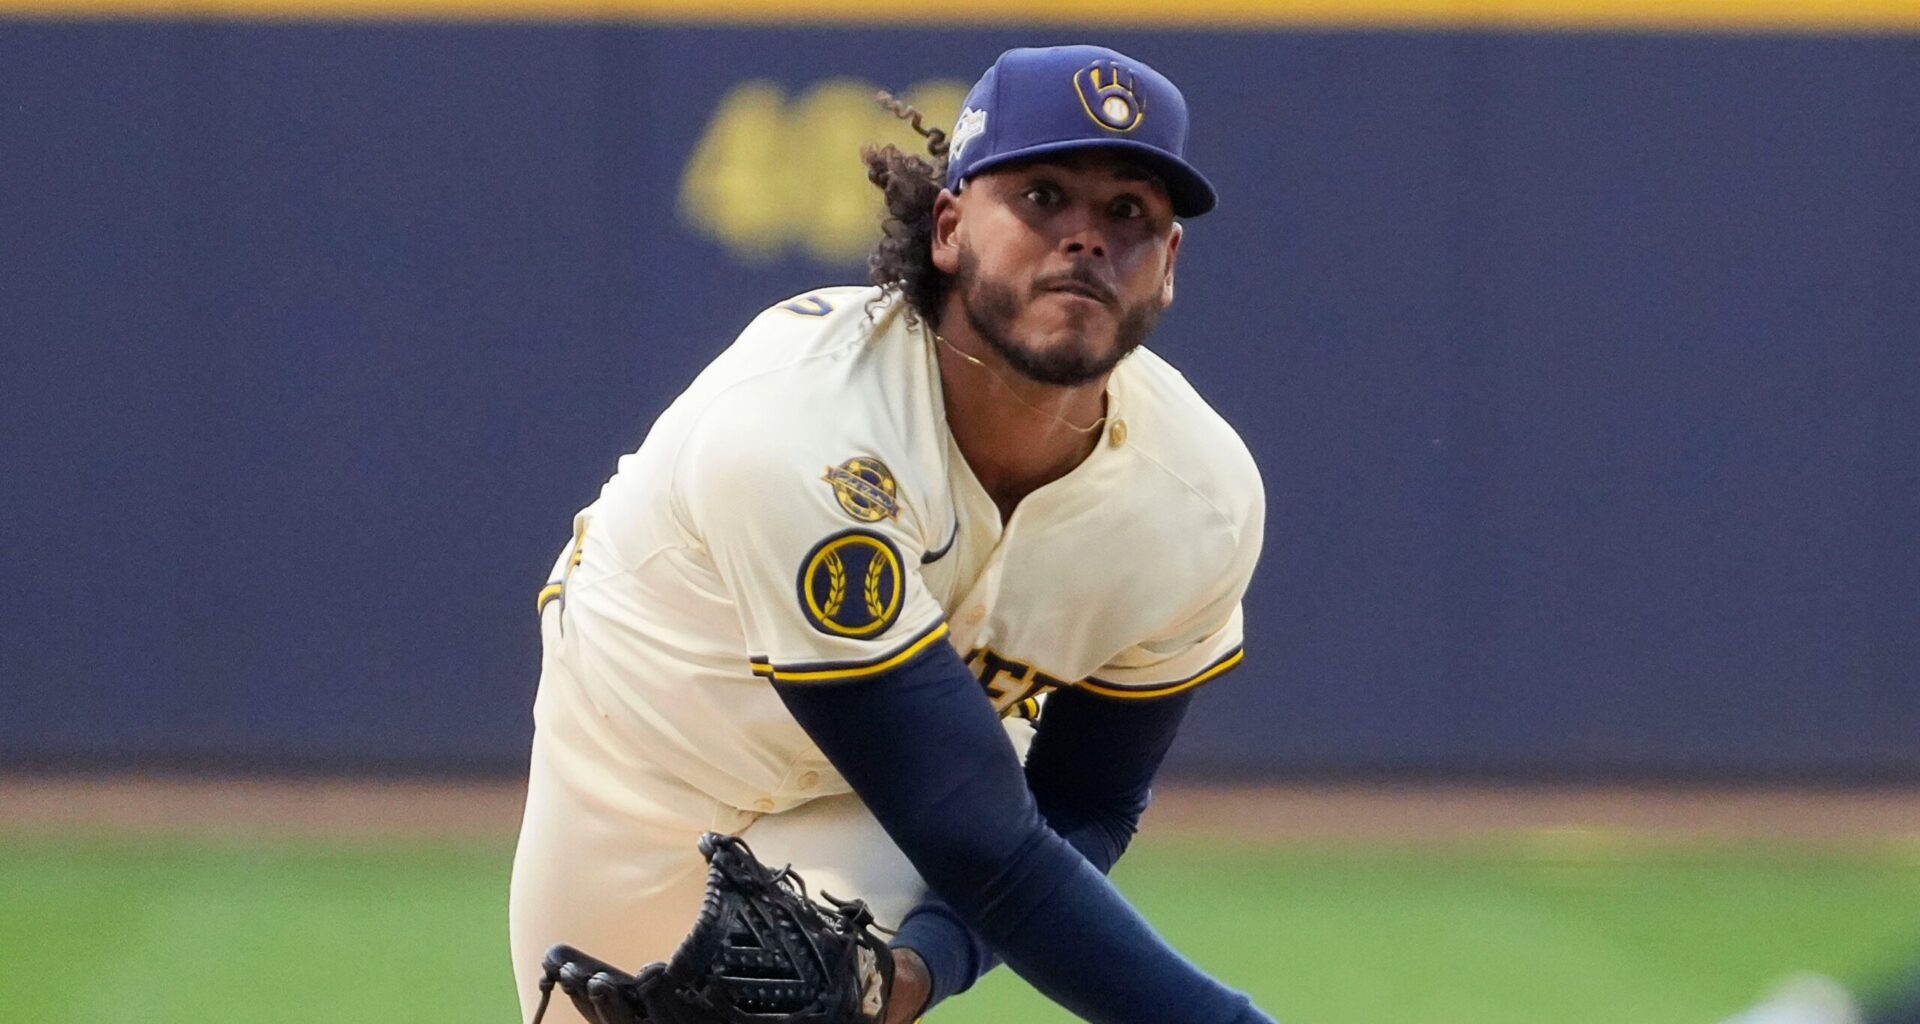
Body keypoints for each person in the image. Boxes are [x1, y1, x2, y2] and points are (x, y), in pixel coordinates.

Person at [508, 44, 1273, 1024]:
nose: (1086, 238)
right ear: (949, 227)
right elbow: (981, 843)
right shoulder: (801, 424)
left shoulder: (1198, 495)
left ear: (1168, 269)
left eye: (1129, 212)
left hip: (900, 793)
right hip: (643, 763)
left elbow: (1084, 800)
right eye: (1043, 196)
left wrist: (912, 973)